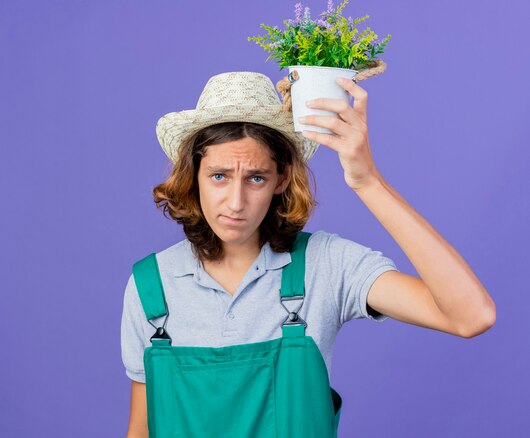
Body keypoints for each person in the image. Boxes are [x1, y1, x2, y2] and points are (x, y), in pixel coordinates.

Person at [120, 71, 496, 437]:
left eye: (256, 178)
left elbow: (470, 316)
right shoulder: (152, 285)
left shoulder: (326, 265)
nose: (236, 202)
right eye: (219, 176)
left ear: (281, 180)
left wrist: (367, 181)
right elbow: (142, 430)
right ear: (194, 175)